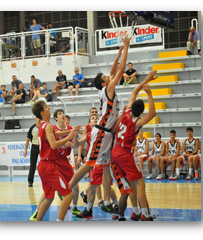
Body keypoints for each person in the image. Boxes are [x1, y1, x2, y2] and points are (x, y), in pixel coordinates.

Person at [68, 36, 131, 216]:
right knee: (89, 164)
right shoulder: (109, 89)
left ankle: (105, 201)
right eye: (105, 77)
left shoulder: (106, 89)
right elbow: (119, 72)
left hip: (106, 134)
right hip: (102, 133)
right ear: (104, 83)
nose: (108, 76)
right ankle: (68, 186)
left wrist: (118, 52)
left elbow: (112, 71)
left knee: (105, 166)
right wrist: (126, 49)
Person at [111, 70, 158, 221]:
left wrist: (146, 80)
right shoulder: (137, 122)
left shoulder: (126, 111)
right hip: (124, 153)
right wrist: (149, 93)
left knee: (131, 183)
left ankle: (136, 212)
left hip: (115, 152)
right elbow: (152, 114)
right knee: (140, 184)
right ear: (140, 113)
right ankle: (146, 215)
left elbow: (134, 91)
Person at [31, 100, 80, 221]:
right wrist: (68, 137)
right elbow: (53, 145)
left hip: (43, 165)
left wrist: (70, 131)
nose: (49, 108)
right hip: (49, 166)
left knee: (49, 197)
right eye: (46, 107)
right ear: (42, 113)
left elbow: (55, 135)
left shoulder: (43, 125)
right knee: (69, 194)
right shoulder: (47, 125)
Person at [52, 109, 82, 216]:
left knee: (75, 186)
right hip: (55, 161)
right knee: (57, 187)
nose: (63, 115)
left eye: (63, 113)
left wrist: (72, 144)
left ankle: (74, 207)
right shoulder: (53, 128)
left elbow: (75, 145)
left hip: (65, 161)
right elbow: (56, 136)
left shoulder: (70, 128)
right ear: (56, 118)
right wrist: (69, 135)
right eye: (60, 114)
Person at [24, 117, 41, 187]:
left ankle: (48, 181)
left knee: (46, 164)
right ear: (35, 118)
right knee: (33, 164)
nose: (39, 119)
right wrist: (25, 150)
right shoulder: (32, 128)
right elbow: (28, 139)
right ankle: (30, 181)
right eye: (37, 118)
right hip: (34, 147)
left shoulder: (44, 127)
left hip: (43, 147)